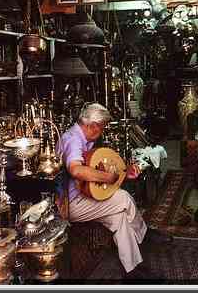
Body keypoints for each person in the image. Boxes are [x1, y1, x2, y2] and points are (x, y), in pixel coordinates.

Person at [57, 102, 170, 281]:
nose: (101, 132)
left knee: (120, 219)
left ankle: (132, 271)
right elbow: (76, 170)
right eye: (102, 128)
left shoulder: (83, 138)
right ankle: (144, 234)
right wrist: (107, 178)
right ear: (92, 125)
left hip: (85, 197)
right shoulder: (73, 139)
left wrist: (124, 173)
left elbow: (94, 166)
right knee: (123, 198)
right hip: (71, 205)